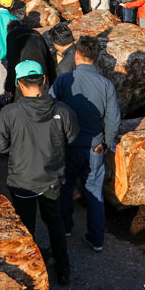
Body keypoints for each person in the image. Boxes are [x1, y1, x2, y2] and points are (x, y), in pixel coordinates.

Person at [0, 60, 79, 286]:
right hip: (52, 180)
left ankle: (26, 272)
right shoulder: (62, 110)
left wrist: (18, 147)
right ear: (44, 80)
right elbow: (72, 137)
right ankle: (63, 268)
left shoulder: (10, 113)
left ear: (18, 84)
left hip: (22, 181)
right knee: (55, 224)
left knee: (24, 227)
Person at [50, 35, 120, 253]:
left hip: (67, 144)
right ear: (96, 58)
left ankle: (65, 227)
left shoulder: (64, 80)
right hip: (94, 146)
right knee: (94, 192)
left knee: (65, 186)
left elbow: (50, 108)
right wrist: (106, 143)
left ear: (77, 56)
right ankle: (96, 238)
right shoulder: (106, 85)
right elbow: (113, 119)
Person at [5, 21, 57, 91]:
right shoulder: (36, 33)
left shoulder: (12, 35)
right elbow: (49, 58)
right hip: (41, 73)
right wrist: (53, 82)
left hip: (24, 76)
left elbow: (12, 62)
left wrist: (9, 88)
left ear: (10, 29)